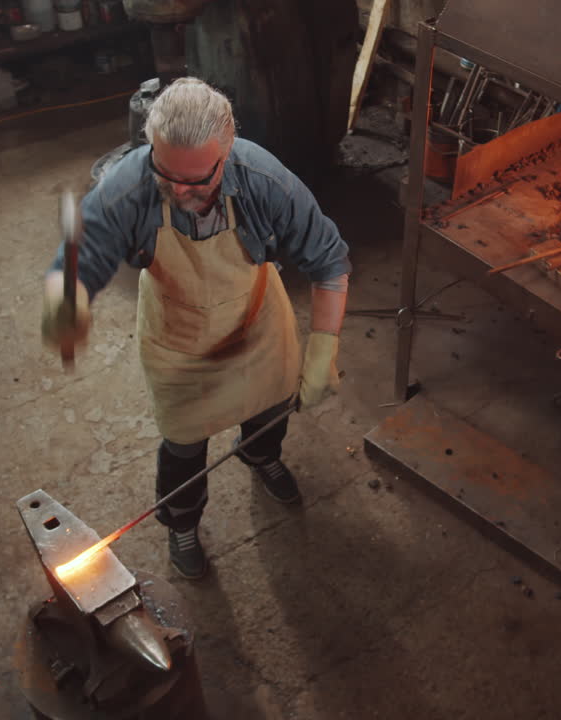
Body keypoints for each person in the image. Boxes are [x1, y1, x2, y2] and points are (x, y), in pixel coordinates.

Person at [42, 77, 350, 580]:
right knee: (184, 446)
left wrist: (324, 346)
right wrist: (68, 299)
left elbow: (328, 259)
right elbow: (84, 250)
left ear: (226, 153)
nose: (180, 191)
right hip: (178, 339)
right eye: (167, 175)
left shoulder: (262, 178)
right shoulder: (131, 183)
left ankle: (260, 454)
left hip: (256, 321)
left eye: (197, 179)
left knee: (271, 407)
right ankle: (181, 522)